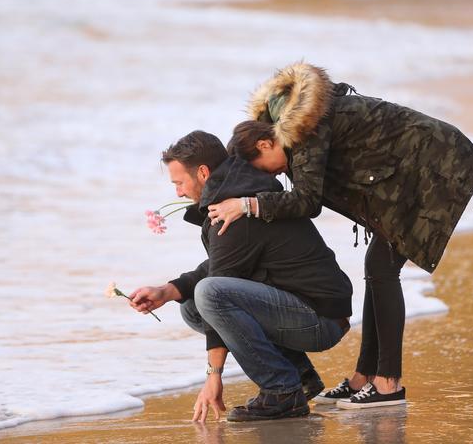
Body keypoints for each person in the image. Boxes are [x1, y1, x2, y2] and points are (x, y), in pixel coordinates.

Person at [211, 62, 473, 409]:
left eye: (265, 168)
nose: (276, 174)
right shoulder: (295, 125)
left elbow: (307, 200)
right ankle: (365, 377)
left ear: (266, 142)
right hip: (411, 168)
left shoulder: (302, 130)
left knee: (382, 267)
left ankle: (388, 384)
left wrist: (248, 205)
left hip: (436, 163)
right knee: (377, 265)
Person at [129, 130, 353, 422]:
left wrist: (213, 376)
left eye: (179, 182)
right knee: (193, 307)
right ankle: (297, 376)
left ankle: (282, 390)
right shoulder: (232, 194)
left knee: (208, 296)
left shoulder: (235, 208)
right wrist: (168, 290)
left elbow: (217, 287)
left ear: (203, 172)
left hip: (319, 319)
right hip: (309, 309)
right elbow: (221, 266)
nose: (178, 193)